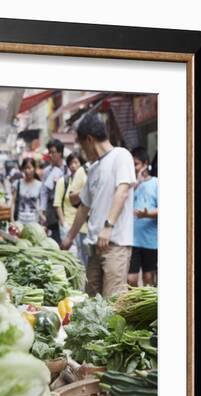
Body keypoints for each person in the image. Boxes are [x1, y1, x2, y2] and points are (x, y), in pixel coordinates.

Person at [61, 113, 135, 298]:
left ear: (89, 139)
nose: (83, 151)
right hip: (94, 246)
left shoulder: (121, 155)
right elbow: (84, 207)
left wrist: (108, 227)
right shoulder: (93, 169)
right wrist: (69, 238)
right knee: (92, 300)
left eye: (82, 146)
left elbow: (123, 190)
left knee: (112, 301)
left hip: (115, 245)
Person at [128, 146, 158, 287]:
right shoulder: (130, 185)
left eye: (136, 164)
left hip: (150, 240)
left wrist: (147, 214)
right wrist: (137, 182)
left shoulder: (156, 183)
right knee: (131, 279)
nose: (134, 168)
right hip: (132, 240)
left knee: (148, 278)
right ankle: (134, 307)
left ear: (145, 164)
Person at [53, 153, 88, 266]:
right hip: (68, 226)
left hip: (83, 227)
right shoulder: (63, 182)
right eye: (71, 163)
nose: (73, 166)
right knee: (70, 260)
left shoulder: (85, 181)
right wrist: (63, 224)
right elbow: (57, 204)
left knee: (83, 261)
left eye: (76, 162)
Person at [40, 139, 68, 243]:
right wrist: (42, 210)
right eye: (49, 152)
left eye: (53, 152)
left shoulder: (67, 168)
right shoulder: (47, 171)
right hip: (51, 211)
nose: (50, 155)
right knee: (54, 240)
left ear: (60, 153)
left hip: (65, 209)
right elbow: (44, 192)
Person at [11, 158, 42, 225]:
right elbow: (13, 202)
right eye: (25, 168)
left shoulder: (39, 185)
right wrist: (12, 219)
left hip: (34, 223)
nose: (27, 171)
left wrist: (42, 218)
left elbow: (40, 204)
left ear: (34, 169)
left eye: (29, 168)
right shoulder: (18, 183)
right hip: (19, 222)